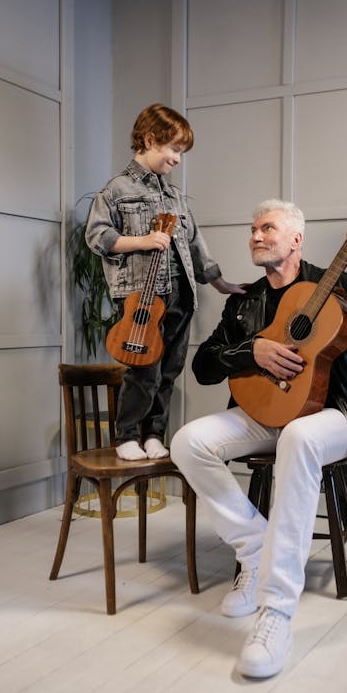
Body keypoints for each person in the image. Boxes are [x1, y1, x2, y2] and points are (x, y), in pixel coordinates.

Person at [170, 198, 347, 678]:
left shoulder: (340, 284)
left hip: (335, 414)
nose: (256, 235)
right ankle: (255, 548)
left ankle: (276, 611)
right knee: (187, 441)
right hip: (266, 411)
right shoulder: (244, 301)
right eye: (253, 229)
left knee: (297, 436)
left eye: (268, 228)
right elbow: (204, 365)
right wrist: (250, 351)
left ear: (296, 239)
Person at [85, 103, 244, 461]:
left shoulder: (173, 196)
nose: (177, 159)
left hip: (181, 295)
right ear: (149, 139)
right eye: (174, 149)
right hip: (143, 298)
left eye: (181, 152)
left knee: (169, 371)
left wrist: (220, 283)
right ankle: (127, 436)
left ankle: (154, 434)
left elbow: (194, 242)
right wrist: (141, 241)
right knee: (144, 373)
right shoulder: (116, 190)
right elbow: (96, 237)